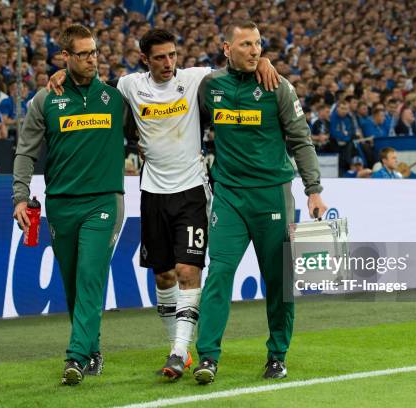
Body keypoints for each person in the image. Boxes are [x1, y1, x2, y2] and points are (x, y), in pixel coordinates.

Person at [47, 28, 279, 381]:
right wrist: (63, 72)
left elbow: (235, 65)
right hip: (153, 192)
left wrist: (261, 59)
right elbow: (91, 81)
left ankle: (180, 350)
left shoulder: (196, 79)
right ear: (145, 60)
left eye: (172, 55)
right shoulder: (129, 86)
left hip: (191, 192)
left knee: (189, 271)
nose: (169, 63)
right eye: (160, 57)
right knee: (164, 275)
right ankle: (176, 348)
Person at [194, 20, 327, 384]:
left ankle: (277, 355)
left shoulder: (277, 87)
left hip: (272, 195)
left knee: (279, 280)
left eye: (258, 45)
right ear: (227, 48)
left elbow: (301, 140)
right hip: (229, 196)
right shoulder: (210, 86)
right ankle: (207, 357)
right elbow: (175, 92)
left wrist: (313, 189)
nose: (254, 51)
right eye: (246, 45)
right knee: (218, 274)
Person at [12, 24, 133, 386]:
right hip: (61, 205)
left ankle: (76, 358)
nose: (92, 59)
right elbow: (25, 151)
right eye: (83, 54)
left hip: (104, 202)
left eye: (95, 52)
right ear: (65, 57)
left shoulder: (117, 98)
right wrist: (20, 196)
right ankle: (92, 348)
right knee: (73, 287)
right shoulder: (45, 100)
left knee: (90, 278)